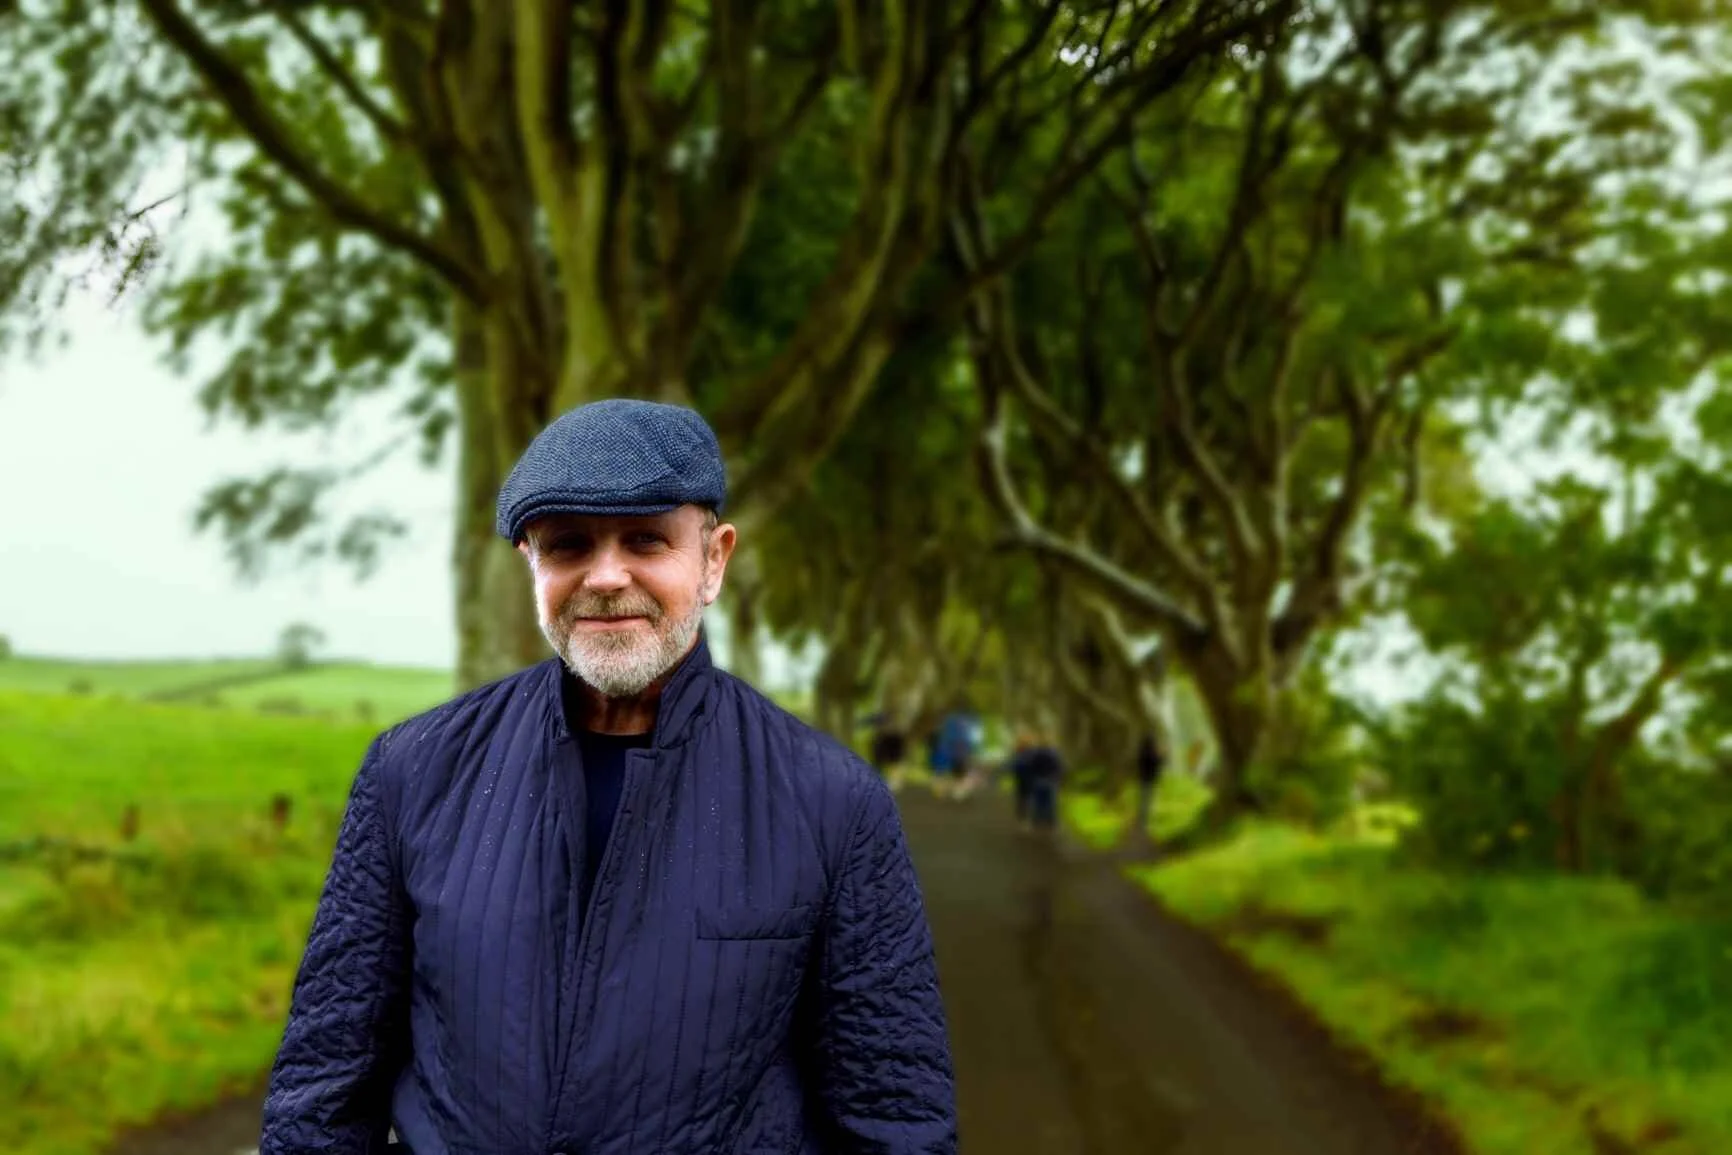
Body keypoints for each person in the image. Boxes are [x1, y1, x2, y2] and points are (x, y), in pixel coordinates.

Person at [260, 399, 957, 1154]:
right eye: (568, 546)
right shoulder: (412, 772)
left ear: (714, 558)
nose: (605, 576)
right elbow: (322, 1093)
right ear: (533, 562)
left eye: (646, 540)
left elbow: (896, 1118)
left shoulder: (833, 803)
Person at [1134, 731, 1167, 844]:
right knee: (1146, 802)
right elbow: (1157, 763)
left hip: (1144, 781)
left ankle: (1144, 823)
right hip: (1148, 781)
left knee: (1145, 801)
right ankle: (1143, 824)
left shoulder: (1142, 752)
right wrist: (1162, 755)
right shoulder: (1149, 754)